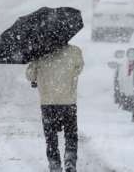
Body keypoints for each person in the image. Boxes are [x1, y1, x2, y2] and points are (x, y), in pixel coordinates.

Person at [26, 44, 84, 172]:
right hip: (68, 102)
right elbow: (79, 69)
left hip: (48, 103)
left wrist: (35, 66)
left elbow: (30, 75)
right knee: (71, 134)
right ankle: (70, 161)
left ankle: (54, 165)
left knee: (51, 137)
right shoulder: (74, 51)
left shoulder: (39, 53)